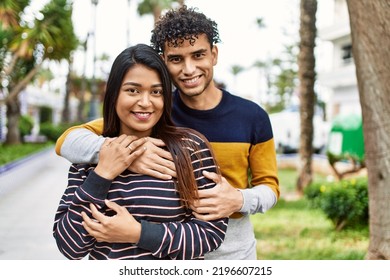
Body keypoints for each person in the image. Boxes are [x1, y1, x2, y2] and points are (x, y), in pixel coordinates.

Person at [55, 6, 279, 260]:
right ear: (163, 61)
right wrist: (129, 154)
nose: (189, 68)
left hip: (231, 253)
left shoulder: (251, 116)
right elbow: (67, 140)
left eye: (198, 55)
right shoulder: (154, 111)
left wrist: (238, 200)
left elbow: (269, 187)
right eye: (176, 59)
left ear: (213, 54)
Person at [52, 43, 228, 260]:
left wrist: (138, 233)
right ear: (114, 94)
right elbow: (70, 246)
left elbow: (210, 234)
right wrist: (103, 173)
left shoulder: (191, 147)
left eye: (156, 92)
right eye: (133, 90)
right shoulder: (90, 156)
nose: (145, 102)